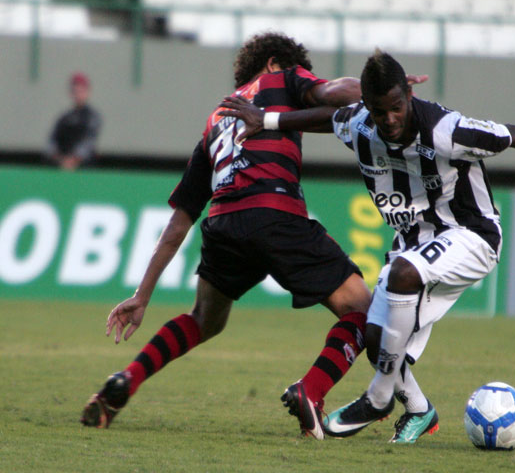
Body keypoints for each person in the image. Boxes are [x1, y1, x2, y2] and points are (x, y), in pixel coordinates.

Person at [217, 49, 515, 443]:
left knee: (402, 276)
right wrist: (265, 120)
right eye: (379, 111)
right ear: (366, 105)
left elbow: (510, 133)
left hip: (472, 235)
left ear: (408, 96)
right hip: (414, 243)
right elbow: (325, 119)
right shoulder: (360, 124)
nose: (390, 119)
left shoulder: (445, 129)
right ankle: (419, 409)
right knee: (375, 336)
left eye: (397, 107)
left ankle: (379, 396)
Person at [80, 32, 379, 440]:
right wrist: (380, 92)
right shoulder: (283, 79)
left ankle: (126, 379)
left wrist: (142, 295)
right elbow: (335, 92)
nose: (303, 75)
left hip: (223, 224)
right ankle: (311, 391)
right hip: (275, 214)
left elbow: (179, 222)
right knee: (363, 309)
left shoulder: (215, 118)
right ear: (275, 63)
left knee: (204, 319)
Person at [45, 72, 102, 170]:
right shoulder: (64, 118)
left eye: (81, 91)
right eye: (75, 91)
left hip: (83, 168)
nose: (78, 94)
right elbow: (52, 141)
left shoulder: (92, 116)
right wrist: (60, 159)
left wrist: (74, 160)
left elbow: (88, 141)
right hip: (61, 166)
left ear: (88, 92)